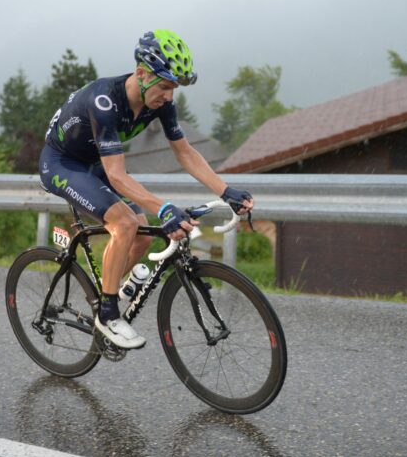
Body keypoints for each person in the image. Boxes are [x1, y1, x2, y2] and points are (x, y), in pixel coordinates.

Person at [39, 29, 253, 349]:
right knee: (125, 223)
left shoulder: (160, 103)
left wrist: (226, 191)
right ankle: (107, 315)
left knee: (141, 234)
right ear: (141, 74)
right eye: (164, 86)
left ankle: (104, 294)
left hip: (94, 162)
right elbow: (117, 175)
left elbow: (185, 153)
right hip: (62, 164)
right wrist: (164, 208)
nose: (169, 96)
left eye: (174, 88)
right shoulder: (104, 101)